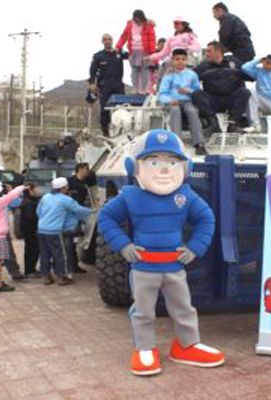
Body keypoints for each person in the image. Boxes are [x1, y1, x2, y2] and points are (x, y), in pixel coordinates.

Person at [98, 129, 224, 376]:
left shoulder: (185, 195)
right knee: (143, 311)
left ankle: (187, 346)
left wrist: (195, 247)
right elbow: (106, 217)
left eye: (172, 162)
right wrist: (123, 245)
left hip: (175, 268)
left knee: (184, 308)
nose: (164, 169)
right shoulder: (130, 196)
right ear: (134, 167)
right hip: (144, 268)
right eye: (154, 161)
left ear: (184, 168)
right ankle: (144, 348)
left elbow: (207, 219)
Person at [37, 177, 92, 286]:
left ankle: (46, 277)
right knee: (60, 254)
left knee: (45, 254)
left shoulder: (45, 197)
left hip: (41, 230)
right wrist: (95, 210)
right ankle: (61, 277)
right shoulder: (65, 199)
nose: (68, 188)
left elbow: (38, 211)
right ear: (63, 188)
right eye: (66, 186)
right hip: (55, 231)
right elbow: (79, 210)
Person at [192, 41, 251, 133]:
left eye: (209, 51)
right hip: (213, 99)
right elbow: (191, 77)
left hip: (230, 99)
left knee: (245, 92)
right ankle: (213, 123)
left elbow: (250, 76)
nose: (206, 53)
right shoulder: (204, 66)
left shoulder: (233, 61)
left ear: (218, 51)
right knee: (197, 94)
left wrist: (236, 72)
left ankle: (233, 125)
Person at [157, 48, 207, 155]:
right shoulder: (168, 75)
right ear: (172, 61)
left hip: (187, 101)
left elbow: (197, 91)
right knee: (175, 111)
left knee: (192, 111)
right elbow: (162, 93)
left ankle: (199, 144)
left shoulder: (192, 75)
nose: (180, 61)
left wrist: (188, 91)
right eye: (177, 59)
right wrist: (170, 100)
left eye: (183, 59)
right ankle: (176, 142)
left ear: (187, 60)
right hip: (172, 102)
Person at [88, 33, 129, 136]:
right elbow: (92, 70)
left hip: (118, 84)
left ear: (112, 41)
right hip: (104, 85)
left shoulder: (119, 53)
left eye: (109, 39)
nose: (107, 41)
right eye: (105, 39)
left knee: (122, 107)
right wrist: (92, 83)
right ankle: (105, 130)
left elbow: (132, 55)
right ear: (102, 42)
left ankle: (121, 129)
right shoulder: (98, 56)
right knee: (105, 108)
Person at [115, 9, 157, 95]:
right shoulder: (129, 25)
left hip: (145, 51)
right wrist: (118, 46)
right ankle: (135, 88)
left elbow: (152, 39)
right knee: (134, 71)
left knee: (144, 70)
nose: (138, 21)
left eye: (139, 19)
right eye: (136, 19)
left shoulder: (149, 25)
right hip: (133, 51)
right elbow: (124, 36)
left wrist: (152, 52)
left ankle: (144, 89)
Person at [65, 162, 92, 274]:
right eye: (86, 169)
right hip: (70, 215)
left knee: (75, 241)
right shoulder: (70, 182)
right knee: (69, 242)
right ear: (80, 169)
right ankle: (70, 266)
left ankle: (74, 265)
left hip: (80, 214)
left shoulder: (86, 182)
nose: (88, 171)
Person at [18, 183, 41, 278]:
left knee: (31, 250)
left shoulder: (29, 200)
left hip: (29, 230)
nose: (37, 191)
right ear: (30, 190)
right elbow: (31, 217)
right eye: (35, 189)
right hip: (31, 230)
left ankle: (31, 269)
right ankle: (30, 270)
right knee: (32, 250)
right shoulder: (29, 202)